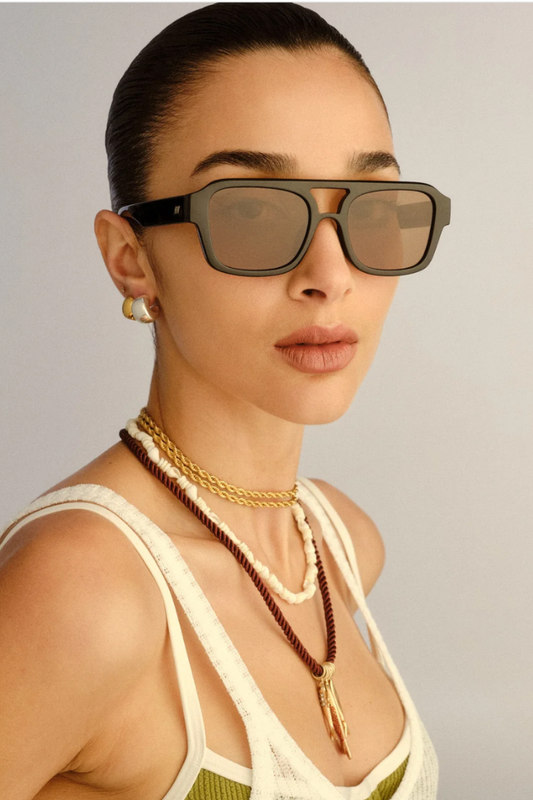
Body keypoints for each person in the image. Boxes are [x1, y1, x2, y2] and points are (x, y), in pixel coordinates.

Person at [0, 3, 450, 799]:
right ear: (130, 258)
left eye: (369, 204)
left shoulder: (341, 544)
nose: (329, 275)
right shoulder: (84, 590)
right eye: (249, 210)